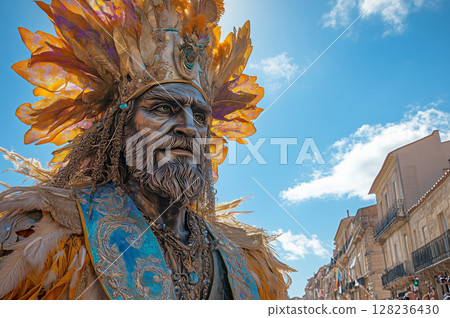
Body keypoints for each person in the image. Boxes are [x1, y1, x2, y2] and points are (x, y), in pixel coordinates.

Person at [0, 0, 293, 300]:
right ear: (120, 126)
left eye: (201, 117)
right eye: (165, 108)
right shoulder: (47, 240)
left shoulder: (247, 262)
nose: (189, 128)